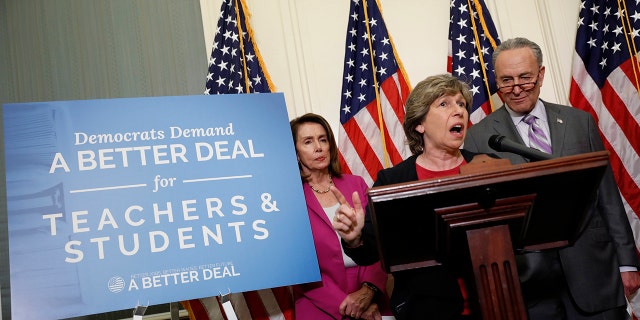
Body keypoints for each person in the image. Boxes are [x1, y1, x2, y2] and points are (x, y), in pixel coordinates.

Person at [463, 37, 640, 319]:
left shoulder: (579, 122)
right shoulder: (478, 137)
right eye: (506, 81)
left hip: (594, 271)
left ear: (541, 74)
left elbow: (607, 196)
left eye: (525, 78)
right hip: (531, 286)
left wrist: (627, 263)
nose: (517, 88)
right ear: (496, 81)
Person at [333, 74, 487, 320]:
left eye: (461, 104)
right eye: (444, 104)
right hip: (426, 310)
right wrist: (354, 238)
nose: (459, 111)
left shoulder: (487, 166)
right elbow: (369, 252)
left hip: (495, 302)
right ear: (419, 124)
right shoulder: (393, 180)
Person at [290, 113, 392, 320]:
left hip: (372, 298)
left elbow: (380, 241)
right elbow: (298, 270)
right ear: (295, 153)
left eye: (323, 139)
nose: (318, 147)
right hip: (319, 303)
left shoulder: (356, 184)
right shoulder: (288, 199)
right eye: (308, 142)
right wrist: (348, 306)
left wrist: (368, 291)